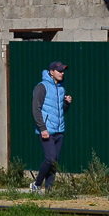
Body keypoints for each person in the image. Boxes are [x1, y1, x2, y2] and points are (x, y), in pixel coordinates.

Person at [31, 61, 72, 192]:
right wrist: (42, 128)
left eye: (63, 71)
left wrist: (66, 103)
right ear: (51, 72)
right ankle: (36, 185)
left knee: (54, 162)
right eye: (59, 71)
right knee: (50, 158)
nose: (62, 73)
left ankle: (49, 190)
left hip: (59, 130)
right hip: (47, 130)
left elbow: (60, 111)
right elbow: (36, 109)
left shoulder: (61, 88)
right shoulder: (42, 87)